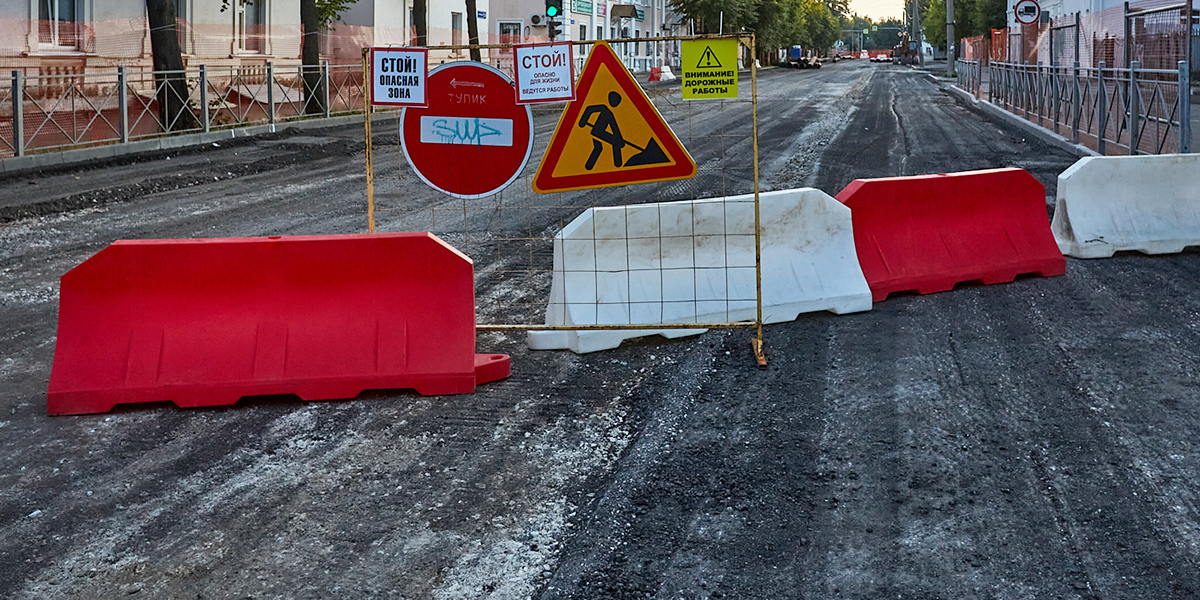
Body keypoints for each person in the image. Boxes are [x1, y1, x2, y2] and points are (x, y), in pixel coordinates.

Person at [579, 92, 627, 170]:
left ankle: (617, 165)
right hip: (597, 132)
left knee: (600, 147)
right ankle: (617, 164)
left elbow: (614, 128)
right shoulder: (604, 109)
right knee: (606, 145)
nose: (616, 103)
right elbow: (589, 109)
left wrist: (620, 139)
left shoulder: (609, 113)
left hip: (599, 132)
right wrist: (583, 121)